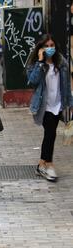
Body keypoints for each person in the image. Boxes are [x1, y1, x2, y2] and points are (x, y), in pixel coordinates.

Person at [26, 34, 73, 182]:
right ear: (41, 48)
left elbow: (66, 85)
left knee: (50, 134)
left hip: (58, 104)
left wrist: (70, 104)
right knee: (50, 133)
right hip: (43, 106)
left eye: (52, 45)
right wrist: (40, 62)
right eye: (46, 46)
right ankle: (49, 164)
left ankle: (41, 164)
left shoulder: (62, 62)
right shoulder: (35, 64)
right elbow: (32, 81)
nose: (50, 48)